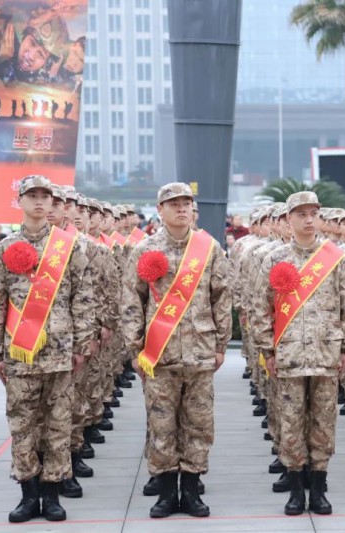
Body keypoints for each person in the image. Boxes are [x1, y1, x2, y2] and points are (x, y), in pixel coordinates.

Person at [0, 175, 94, 523]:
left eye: (46, 196)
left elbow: (83, 297)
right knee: (22, 424)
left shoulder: (69, 246)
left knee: (58, 425)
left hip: (61, 352)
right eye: (32, 195)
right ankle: (28, 495)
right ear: (20, 201)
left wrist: (81, 345)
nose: (40, 202)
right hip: (18, 353)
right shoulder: (4, 247)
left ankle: (52, 493)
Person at [122, 182, 232, 519]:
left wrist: (220, 344)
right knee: (162, 424)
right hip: (159, 355)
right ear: (160, 210)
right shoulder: (144, 249)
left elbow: (222, 296)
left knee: (198, 424)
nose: (181, 208)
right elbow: (131, 301)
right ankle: (167, 493)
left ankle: (193, 490)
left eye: (186, 203)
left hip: (200, 352)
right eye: (174, 204)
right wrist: (136, 348)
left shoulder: (208, 248)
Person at [252, 191, 345, 516]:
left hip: (326, 355)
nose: (309, 219)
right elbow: (261, 308)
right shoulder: (275, 259)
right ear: (288, 220)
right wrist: (268, 350)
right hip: (289, 356)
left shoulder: (334, 257)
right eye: (301, 214)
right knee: (291, 422)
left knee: (324, 422)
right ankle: (296, 489)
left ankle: (319, 488)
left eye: (313, 213)